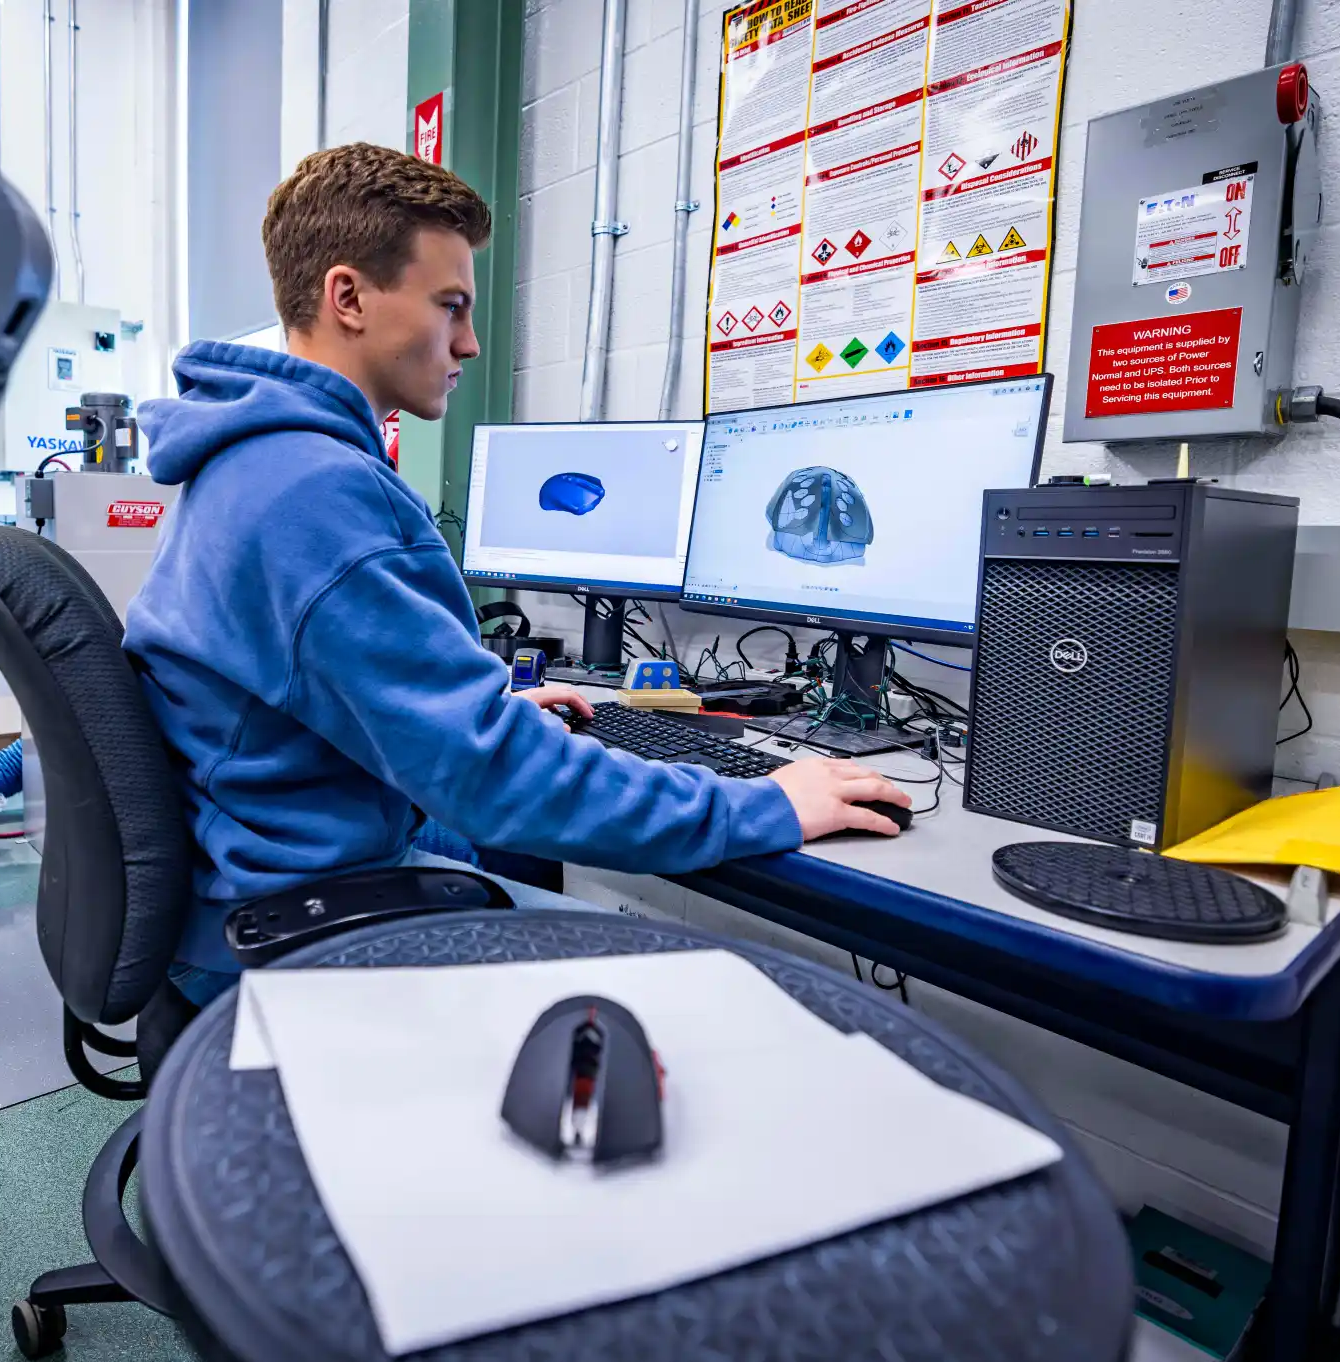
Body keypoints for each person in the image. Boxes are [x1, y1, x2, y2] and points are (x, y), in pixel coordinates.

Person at [126, 143, 909, 1013]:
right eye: (450, 305)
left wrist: (472, 716)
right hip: (292, 935)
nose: (468, 341)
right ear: (347, 297)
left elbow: (311, 707)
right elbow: (496, 783)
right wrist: (761, 804)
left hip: (258, 890)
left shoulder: (256, 464)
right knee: (712, 993)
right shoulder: (315, 493)